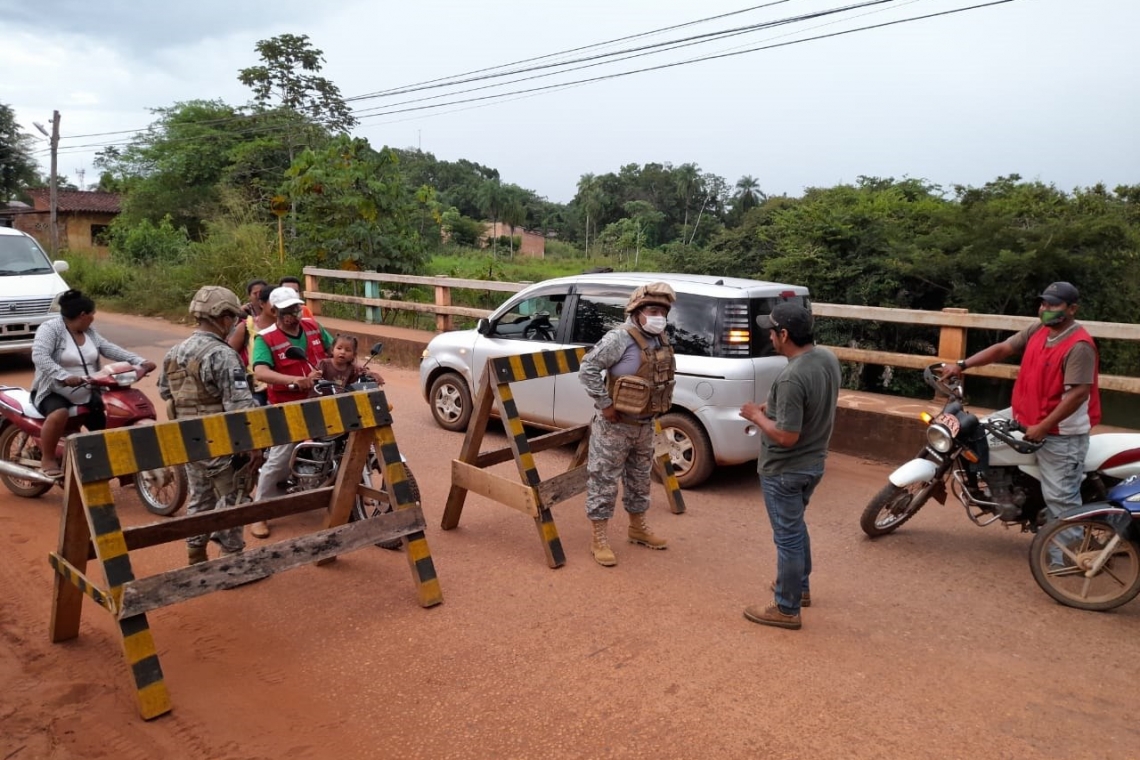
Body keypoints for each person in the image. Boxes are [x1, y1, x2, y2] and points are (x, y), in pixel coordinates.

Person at [940, 281, 1100, 523]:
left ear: (1072, 309)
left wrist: (1044, 426)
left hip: (1060, 432)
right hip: (1023, 415)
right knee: (975, 433)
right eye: (1043, 303)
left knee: (1061, 500)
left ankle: (1064, 558)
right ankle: (999, 490)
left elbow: (1079, 394)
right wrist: (962, 365)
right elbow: (1003, 349)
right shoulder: (1039, 330)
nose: (1045, 308)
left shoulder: (1079, 346)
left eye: (1053, 305)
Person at [739, 302, 840, 630]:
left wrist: (757, 415)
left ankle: (786, 607)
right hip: (814, 463)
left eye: (772, 330)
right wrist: (774, 406)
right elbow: (810, 403)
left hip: (786, 469)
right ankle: (801, 589)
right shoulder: (825, 358)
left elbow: (786, 436)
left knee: (787, 537)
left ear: (784, 334)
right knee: (795, 529)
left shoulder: (792, 377)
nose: (769, 334)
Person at [578, 282, 676, 567]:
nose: (659, 315)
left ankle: (637, 528)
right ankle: (599, 537)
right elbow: (588, 369)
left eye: (663, 310)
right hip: (616, 426)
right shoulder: (619, 339)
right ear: (637, 311)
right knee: (604, 480)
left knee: (639, 479)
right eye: (653, 309)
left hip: (646, 425)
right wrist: (604, 404)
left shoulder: (660, 338)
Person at [158, 286, 258, 565]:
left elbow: (166, 393)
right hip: (222, 441)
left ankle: (196, 555)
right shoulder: (223, 355)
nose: (235, 324)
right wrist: (251, 447)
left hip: (190, 440)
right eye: (233, 318)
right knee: (234, 497)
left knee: (200, 497)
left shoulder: (174, 352)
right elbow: (240, 407)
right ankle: (231, 561)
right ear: (223, 318)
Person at [30, 289, 154, 478]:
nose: (93, 318)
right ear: (83, 315)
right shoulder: (50, 329)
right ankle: (47, 458)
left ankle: (116, 464)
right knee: (59, 413)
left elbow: (108, 348)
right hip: (54, 391)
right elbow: (40, 356)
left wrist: (139, 361)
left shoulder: (89, 331)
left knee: (107, 418)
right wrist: (62, 375)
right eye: (92, 314)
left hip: (89, 390)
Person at [249, 286, 334, 538]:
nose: (293, 314)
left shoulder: (313, 327)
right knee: (280, 457)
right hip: (288, 406)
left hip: (322, 399)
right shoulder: (266, 338)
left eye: (296, 308)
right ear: (274, 311)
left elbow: (336, 351)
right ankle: (260, 512)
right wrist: (294, 380)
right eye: (286, 310)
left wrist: (360, 368)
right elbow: (261, 372)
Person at [228, 283, 275, 406]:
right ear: (262, 304)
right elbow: (229, 357)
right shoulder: (246, 326)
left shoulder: (290, 326)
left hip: (286, 385)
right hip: (257, 387)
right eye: (273, 301)